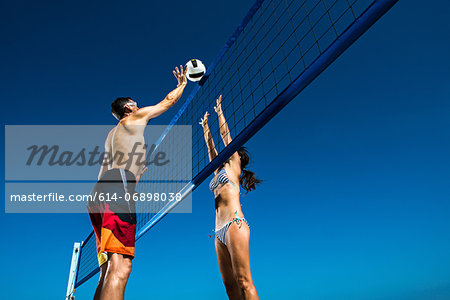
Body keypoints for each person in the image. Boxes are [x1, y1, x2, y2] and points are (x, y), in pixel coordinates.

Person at [87, 66, 187, 300]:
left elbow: (107, 172)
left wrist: (132, 183)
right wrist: (182, 84)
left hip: (98, 196)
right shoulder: (135, 117)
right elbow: (167, 102)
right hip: (116, 189)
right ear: (129, 108)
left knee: (107, 270)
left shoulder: (112, 134)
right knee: (120, 267)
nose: (139, 105)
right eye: (136, 103)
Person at [200, 95, 261, 300]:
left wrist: (219, 113)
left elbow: (226, 135)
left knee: (244, 281)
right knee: (230, 287)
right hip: (218, 231)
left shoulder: (233, 167)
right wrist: (205, 127)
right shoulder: (218, 170)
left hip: (235, 224)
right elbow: (211, 149)